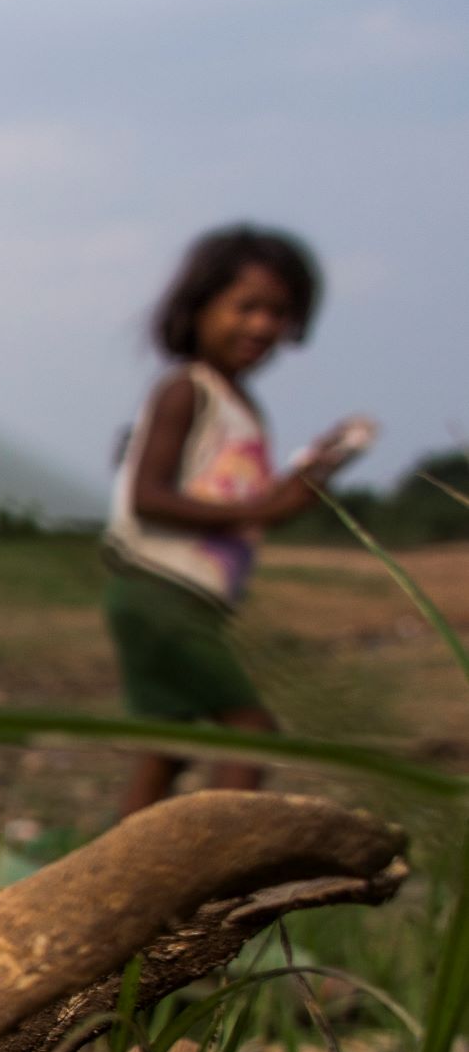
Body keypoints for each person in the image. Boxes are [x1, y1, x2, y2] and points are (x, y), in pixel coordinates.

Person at [103, 224, 372, 815]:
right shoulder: (186, 391)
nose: (261, 326)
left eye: (278, 313)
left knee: (167, 748)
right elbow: (148, 495)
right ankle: (209, 874)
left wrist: (306, 477)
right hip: (159, 590)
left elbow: (244, 503)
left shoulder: (243, 406)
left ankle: (112, 882)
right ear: (199, 306)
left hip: (188, 599)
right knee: (249, 729)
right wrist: (261, 508)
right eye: (246, 307)